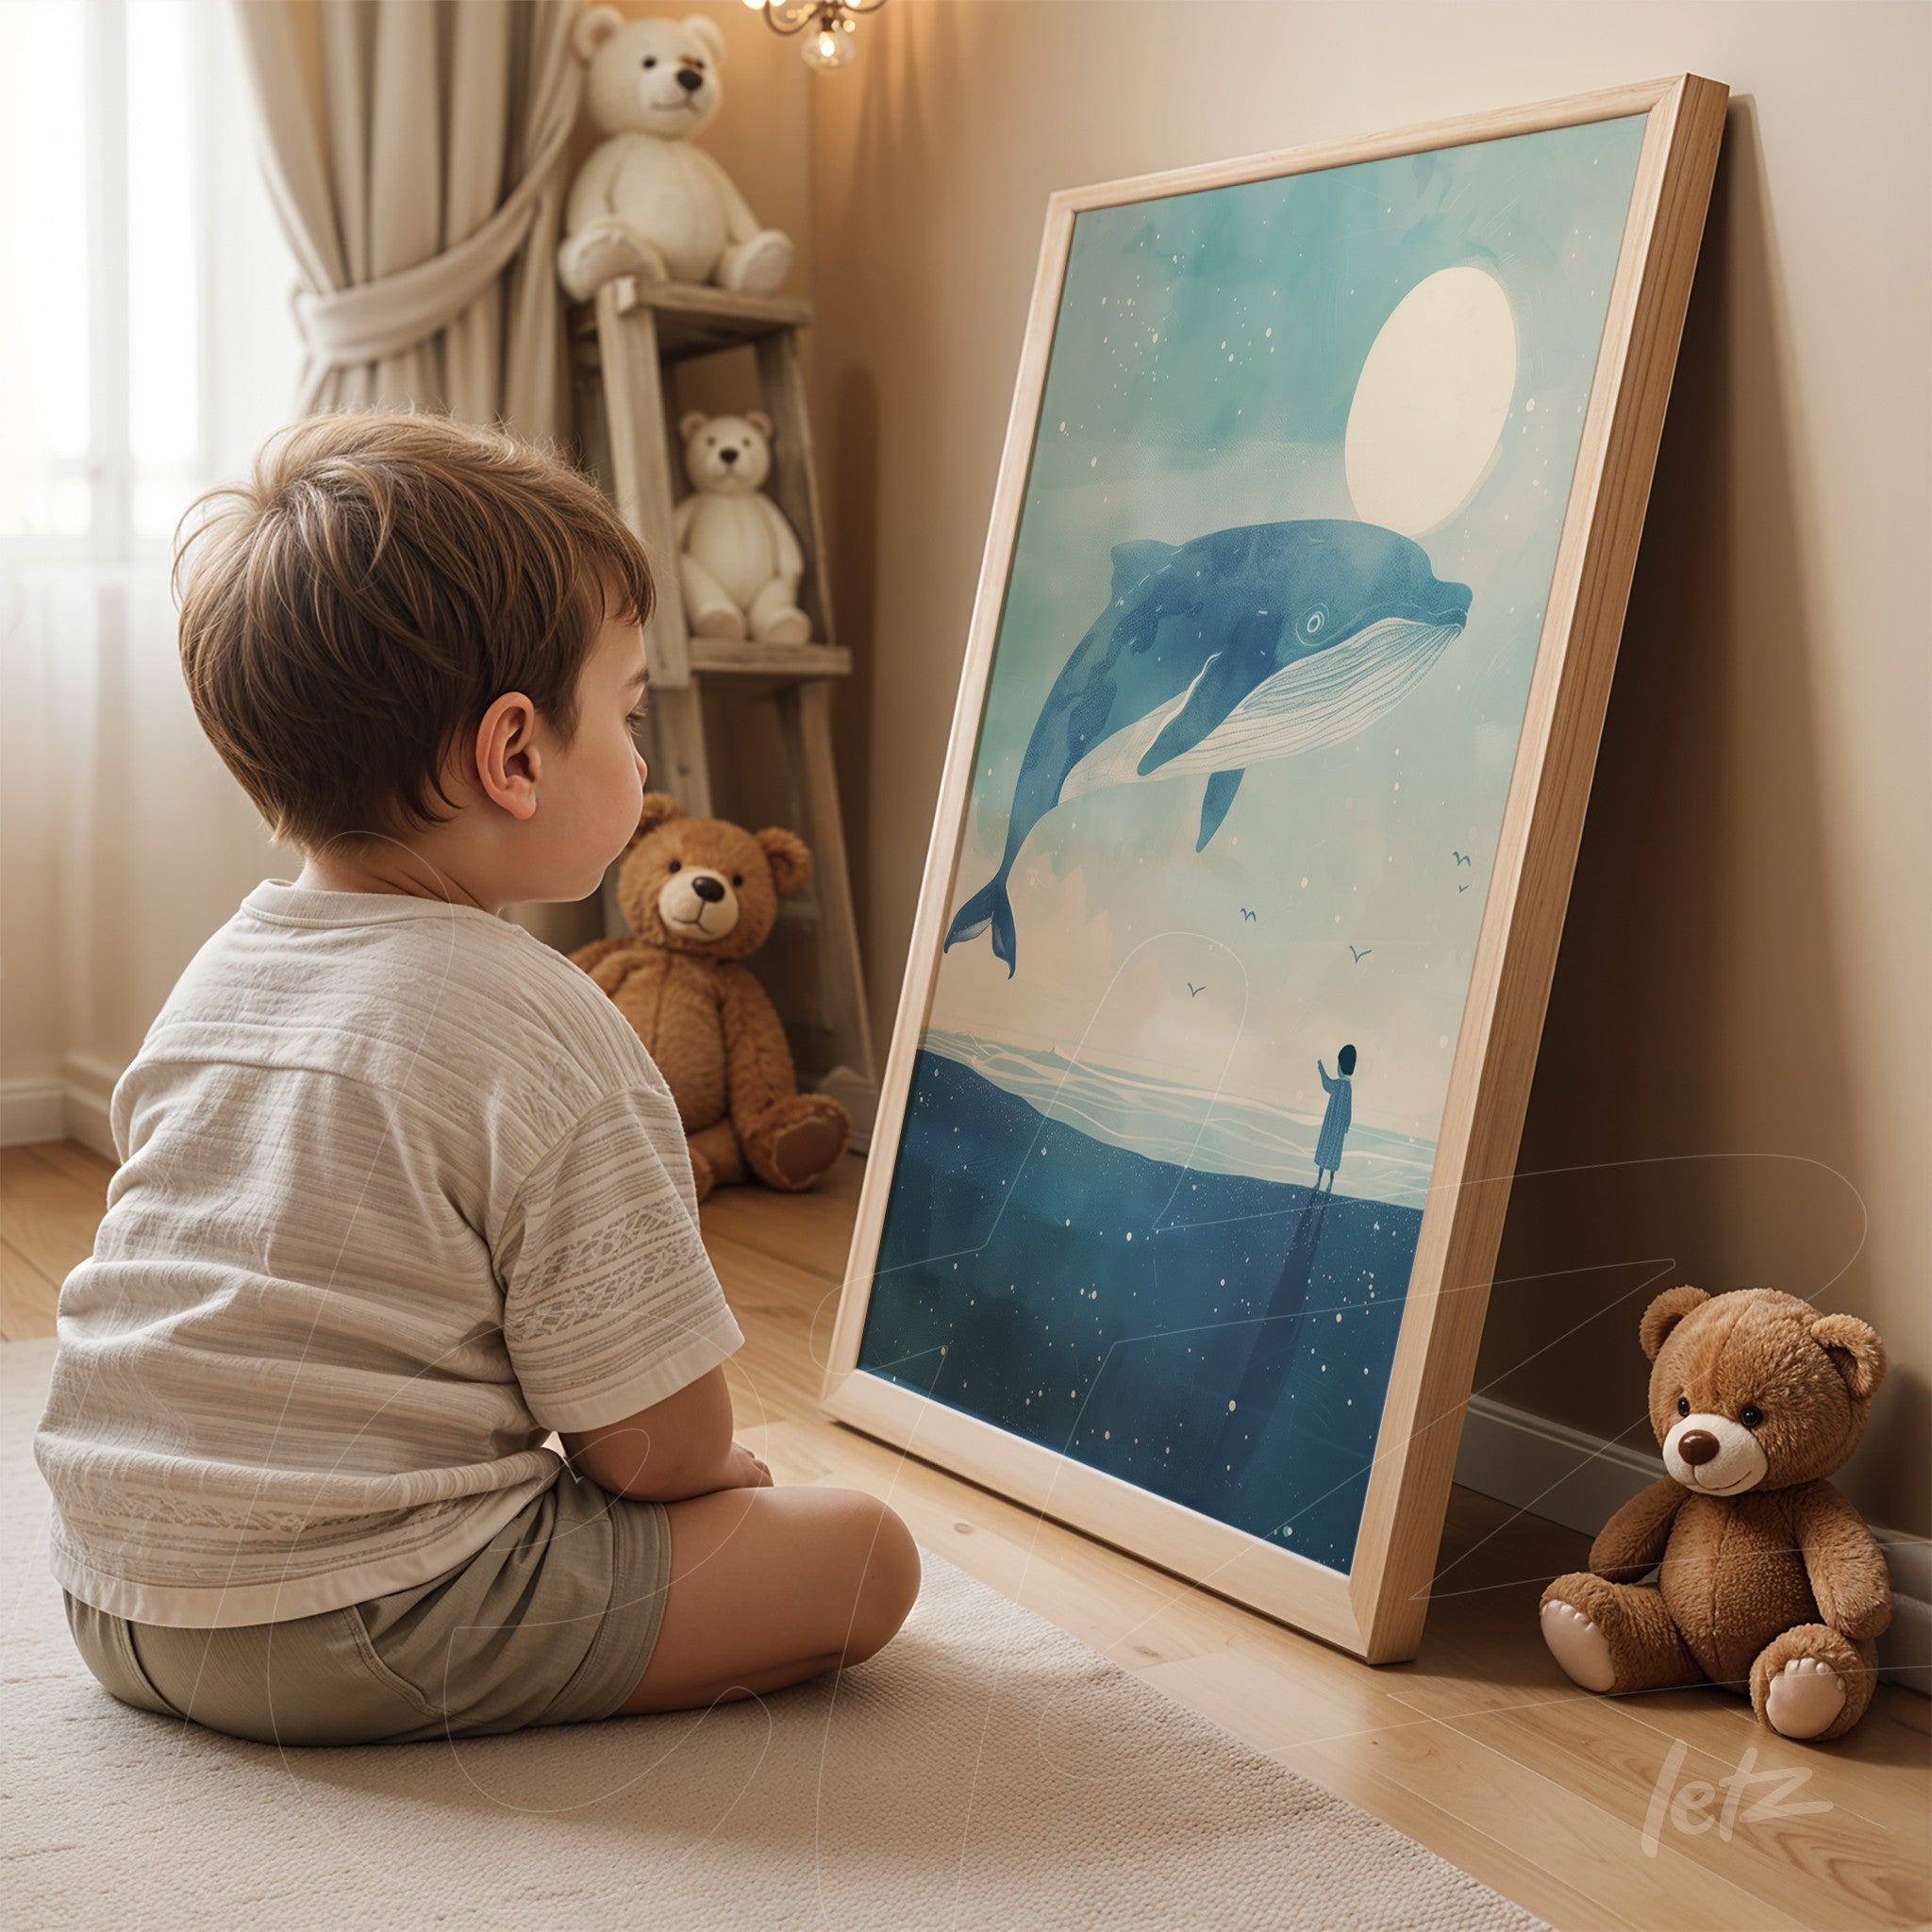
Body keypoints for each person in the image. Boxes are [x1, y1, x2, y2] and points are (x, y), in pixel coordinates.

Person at [32, 411, 918, 1747]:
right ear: (513, 757)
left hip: (113, 1593)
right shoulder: (543, 1023)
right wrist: (717, 1478)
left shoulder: (222, 971)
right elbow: (649, 1451)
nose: (642, 762)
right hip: (347, 1619)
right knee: (864, 1552)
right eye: (626, 716)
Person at [1313, 1043, 1357, 1194]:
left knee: (1325, 1152)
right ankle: (1329, 1184)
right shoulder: (1348, 1088)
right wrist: (1346, 1124)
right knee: (1332, 1156)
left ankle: (1320, 1182)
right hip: (1338, 1130)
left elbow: (1327, 1084)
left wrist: (1320, 1068)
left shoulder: (1339, 1085)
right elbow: (1349, 1110)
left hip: (1331, 1125)